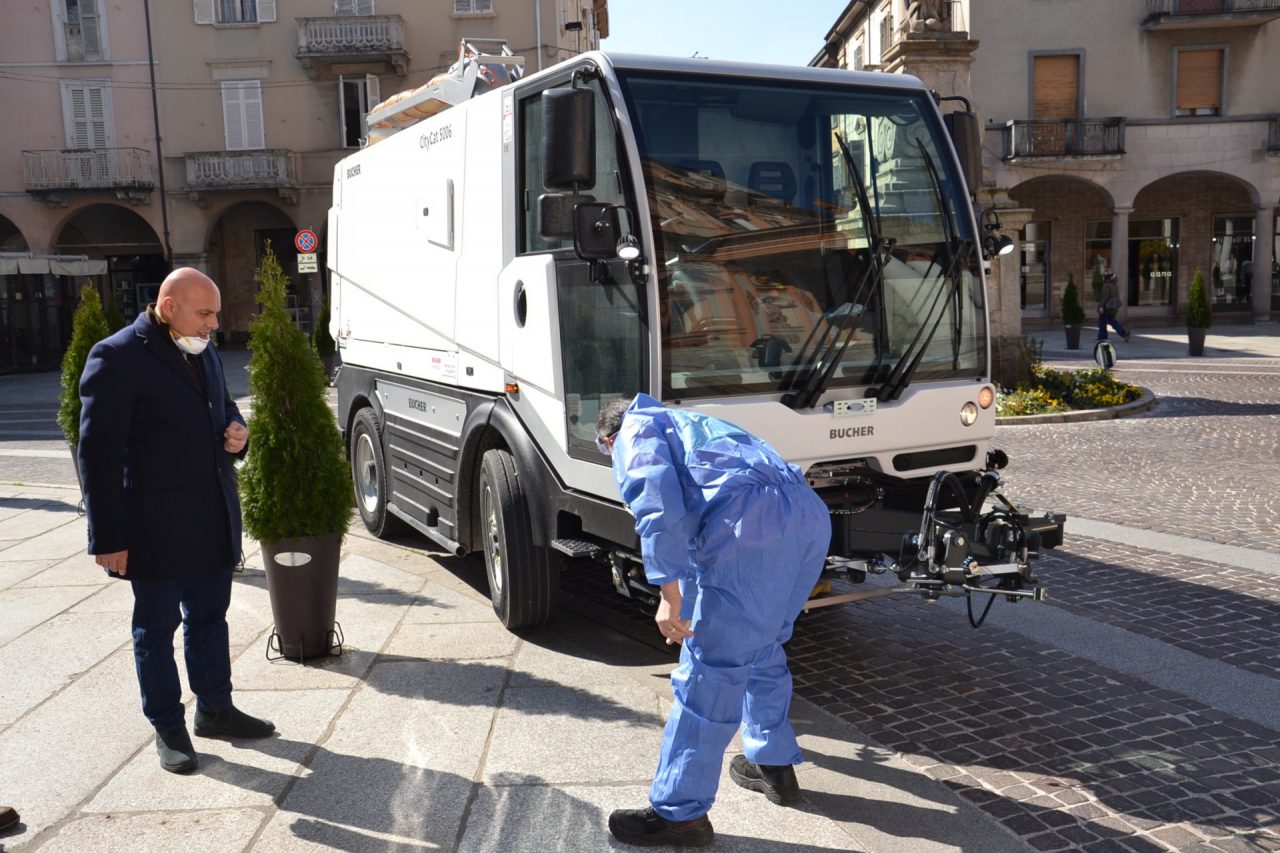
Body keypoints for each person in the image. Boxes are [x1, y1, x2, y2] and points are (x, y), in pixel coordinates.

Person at [597, 394, 831, 848]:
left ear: (609, 437)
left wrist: (668, 595)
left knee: (710, 672)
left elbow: (657, 507)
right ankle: (773, 765)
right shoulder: (691, 423)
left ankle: (679, 815)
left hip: (749, 526)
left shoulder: (635, 431)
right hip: (805, 515)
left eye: (609, 452)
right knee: (761, 647)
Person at [78, 267, 274, 775]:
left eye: (215, 314)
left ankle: (215, 709)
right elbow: (97, 455)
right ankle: (169, 728)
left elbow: (223, 405)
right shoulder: (115, 357)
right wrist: (108, 536)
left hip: (211, 516)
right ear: (169, 307)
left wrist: (238, 431)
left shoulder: (202, 349)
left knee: (209, 619)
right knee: (156, 628)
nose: (214, 324)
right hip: (153, 529)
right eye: (204, 313)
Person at [1096, 272, 1130, 343]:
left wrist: (1100, 306)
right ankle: (1123, 332)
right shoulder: (1114, 285)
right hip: (1113, 306)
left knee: (1102, 321)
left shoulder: (1106, 286)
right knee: (1112, 320)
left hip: (1106, 306)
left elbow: (1104, 297)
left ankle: (1102, 337)